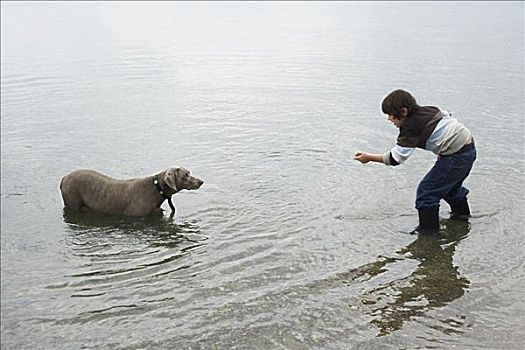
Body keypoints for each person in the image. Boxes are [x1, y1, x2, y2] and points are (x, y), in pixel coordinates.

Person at [354, 89, 476, 234]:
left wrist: (369, 158)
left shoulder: (410, 128)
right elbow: (447, 116)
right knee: (449, 188)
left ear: (403, 112)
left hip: (456, 156)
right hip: (468, 149)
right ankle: (461, 219)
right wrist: (445, 147)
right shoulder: (429, 110)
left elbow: (395, 158)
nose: (389, 119)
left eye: (391, 115)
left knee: (427, 192)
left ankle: (428, 234)